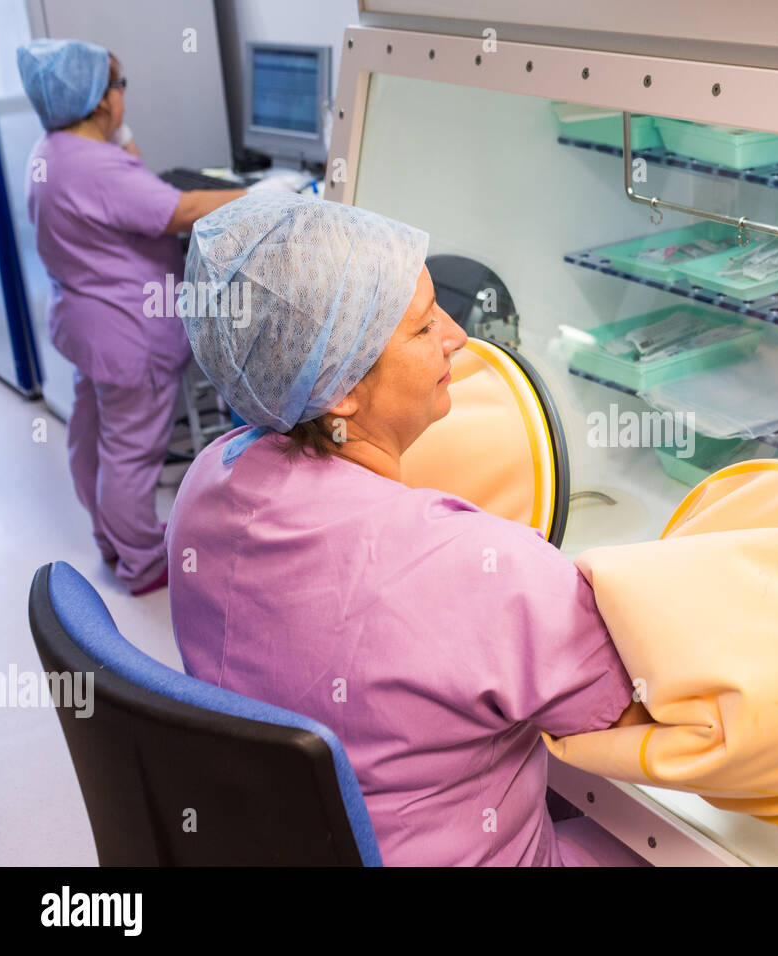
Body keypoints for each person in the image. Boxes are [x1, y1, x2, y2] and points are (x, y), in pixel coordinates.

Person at [166, 192, 652, 865]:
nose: (457, 335)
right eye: (425, 328)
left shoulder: (202, 488)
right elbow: (643, 719)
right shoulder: (487, 570)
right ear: (340, 390)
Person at [17, 39, 250, 594]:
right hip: (128, 333)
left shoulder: (53, 151)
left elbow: (134, 185)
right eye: (121, 88)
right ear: (99, 101)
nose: (127, 99)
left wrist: (116, 133)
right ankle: (144, 561)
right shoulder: (94, 165)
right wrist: (263, 194)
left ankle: (112, 537)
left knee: (92, 433)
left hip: (85, 326)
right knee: (132, 450)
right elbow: (176, 211)